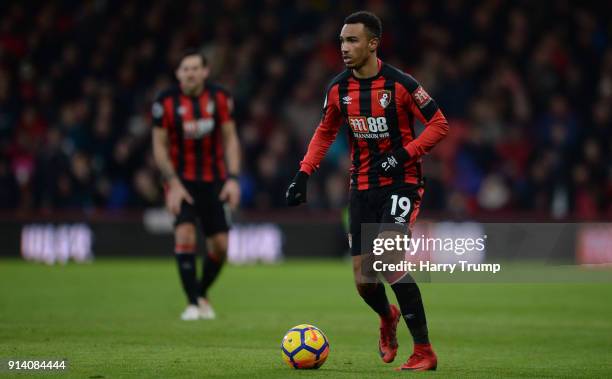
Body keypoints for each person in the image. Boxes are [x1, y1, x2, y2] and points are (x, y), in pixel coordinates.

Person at [286, 11, 449, 371]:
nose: (344, 48)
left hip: (402, 184)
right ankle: (387, 317)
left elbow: (439, 124)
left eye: (353, 40)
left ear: (374, 43)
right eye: (342, 41)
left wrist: (403, 155)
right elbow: (325, 132)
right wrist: (303, 173)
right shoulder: (338, 88)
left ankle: (424, 350)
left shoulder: (401, 85)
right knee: (364, 282)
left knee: (388, 262)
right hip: (361, 188)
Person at [152, 49, 241, 320]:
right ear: (178, 73)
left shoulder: (220, 98)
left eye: (194, 68)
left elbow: (230, 139)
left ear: (205, 72)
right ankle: (192, 303)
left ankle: (200, 293)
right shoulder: (164, 102)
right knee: (185, 235)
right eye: (184, 69)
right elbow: (159, 146)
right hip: (181, 181)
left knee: (221, 246)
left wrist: (233, 179)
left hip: (214, 181)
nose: (189, 73)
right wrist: (172, 184)